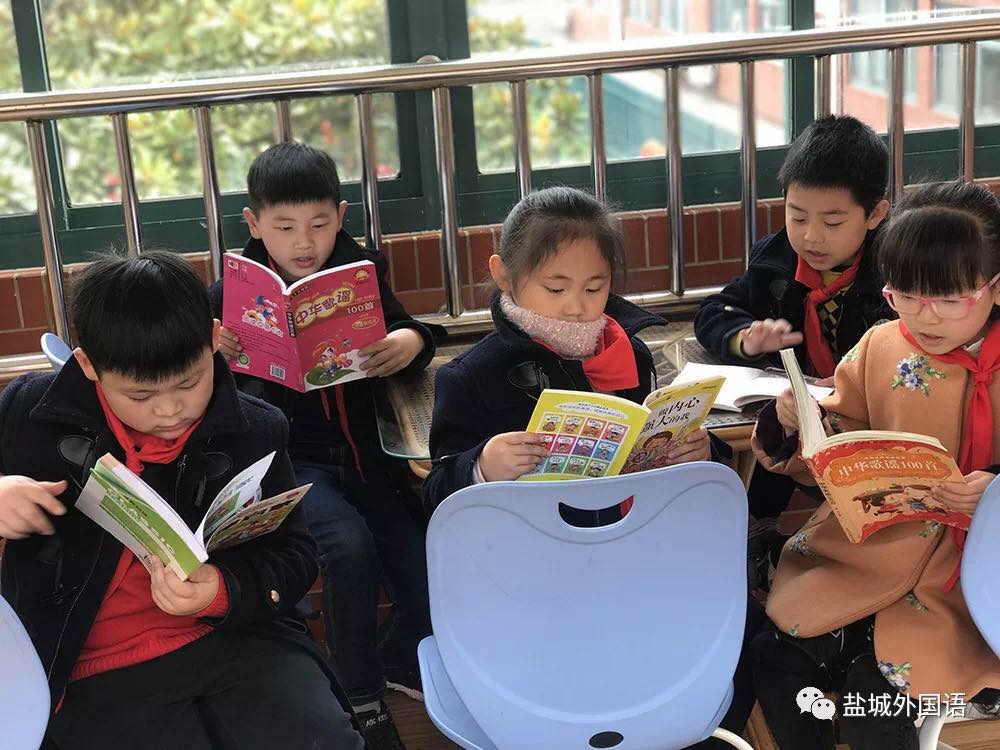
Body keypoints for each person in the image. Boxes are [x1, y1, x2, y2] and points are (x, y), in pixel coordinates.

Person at [424, 186, 760, 749]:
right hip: (526, 580)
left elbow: (662, 461)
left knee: (732, 630)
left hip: (631, 562)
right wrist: (480, 466)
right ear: (504, 275)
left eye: (595, 286)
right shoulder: (471, 377)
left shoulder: (628, 353)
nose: (576, 305)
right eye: (555, 288)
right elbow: (434, 496)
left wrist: (698, 453)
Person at [0, 250, 363, 750]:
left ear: (214, 338)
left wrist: (221, 590)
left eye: (190, 382)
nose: (170, 410)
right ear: (87, 365)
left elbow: (295, 556)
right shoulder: (29, 413)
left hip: (236, 639)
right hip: (85, 661)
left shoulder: (255, 429)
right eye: (140, 396)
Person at [750, 180, 1000, 749]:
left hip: (967, 583)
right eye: (905, 295)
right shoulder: (883, 347)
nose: (925, 316)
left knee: (878, 706)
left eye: (949, 299)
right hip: (860, 554)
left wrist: (993, 491)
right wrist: (797, 423)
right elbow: (835, 441)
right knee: (778, 663)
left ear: (995, 286)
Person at [210, 141, 439, 750]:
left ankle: (398, 661)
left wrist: (409, 343)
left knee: (421, 561)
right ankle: (358, 694)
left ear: (340, 215)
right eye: (284, 227)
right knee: (347, 548)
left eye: (318, 223)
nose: (304, 242)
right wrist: (212, 351)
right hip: (292, 465)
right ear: (254, 223)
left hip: (370, 459)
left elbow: (412, 331)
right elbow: (185, 375)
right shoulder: (234, 294)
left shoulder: (358, 275)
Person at [695, 115, 895, 552]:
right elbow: (714, 311)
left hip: (865, 414)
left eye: (832, 222)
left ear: (876, 214)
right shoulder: (777, 260)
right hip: (793, 409)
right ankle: (759, 534)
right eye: (797, 216)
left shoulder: (895, 269)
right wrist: (745, 337)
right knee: (773, 424)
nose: (811, 236)